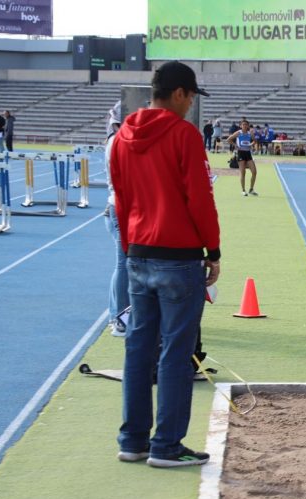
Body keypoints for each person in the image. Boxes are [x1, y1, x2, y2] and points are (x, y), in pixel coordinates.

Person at [109, 60, 221, 468]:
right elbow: (199, 197)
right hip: (178, 255)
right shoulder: (184, 135)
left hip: (139, 251)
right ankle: (167, 445)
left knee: (139, 348)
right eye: (190, 96)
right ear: (178, 93)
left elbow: (121, 198)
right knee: (175, 351)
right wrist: (213, 250)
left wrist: (129, 248)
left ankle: (133, 440)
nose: (191, 104)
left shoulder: (122, 137)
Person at [103, 101, 129, 338]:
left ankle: (118, 313)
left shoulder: (116, 140)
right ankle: (119, 317)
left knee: (125, 264)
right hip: (122, 207)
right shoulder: (117, 141)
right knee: (124, 264)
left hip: (118, 206)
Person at [225, 120, 258, 196]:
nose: (245, 126)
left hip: (248, 154)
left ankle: (251, 189)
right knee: (243, 172)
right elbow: (228, 139)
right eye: (243, 124)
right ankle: (243, 190)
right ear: (240, 126)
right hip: (240, 153)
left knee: (254, 172)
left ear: (248, 126)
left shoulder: (250, 133)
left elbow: (255, 141)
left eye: (246, 124)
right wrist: (235, 145)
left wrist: (251, 144)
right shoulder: (238, 133)